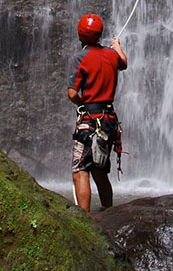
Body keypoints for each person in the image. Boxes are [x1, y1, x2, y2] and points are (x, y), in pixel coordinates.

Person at [66, 13, 127, 214]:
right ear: (100, 35)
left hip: (90, 120)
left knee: (80, 169)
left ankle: (84, 218)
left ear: (80, 35)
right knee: (99, 170)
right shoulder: (111, 55)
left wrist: (81, 103)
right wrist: (116, 45)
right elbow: (123, 62)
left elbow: (72, 93)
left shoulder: (80, 58)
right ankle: (109, 213)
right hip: (108, 120)